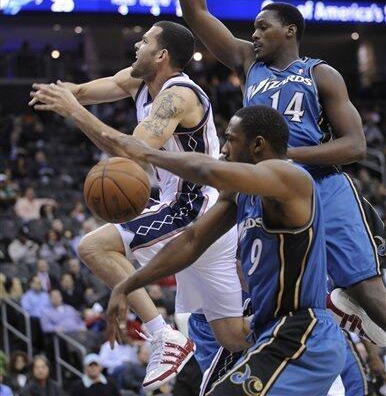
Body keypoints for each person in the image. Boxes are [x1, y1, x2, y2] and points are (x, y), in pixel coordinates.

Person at [163, 0, 386, 343]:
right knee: (272, 298)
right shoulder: (250, 63)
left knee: (368, 289)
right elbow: (196, 11)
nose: (255, 33)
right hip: (264, 190)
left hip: (323, 186)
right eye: (253, 28)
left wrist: (287, 158)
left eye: (263, 26)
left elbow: (356, 146)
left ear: (290, 30)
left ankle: (352, 304)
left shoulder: (321, 74)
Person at [30, 20, 243, 385]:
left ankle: (164, 335)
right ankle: (312, 321)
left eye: (144, 42)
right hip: (202, 215)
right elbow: (87, 90)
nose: (136, 47)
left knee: (93, 247)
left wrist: (73, 110)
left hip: (196, 208)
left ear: (161, 55)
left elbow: (132, 152)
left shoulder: (179, 96)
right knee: (233, 335)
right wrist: (60, 94)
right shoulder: (138, 82)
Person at [103, 105, 347, 395]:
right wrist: (127, 285)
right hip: (270, 333)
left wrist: (145, 153)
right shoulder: (240, 196)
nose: (224, 149)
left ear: (257, 145)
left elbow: (205, 169)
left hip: (303, 331)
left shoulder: (290, 178)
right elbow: (191, 241)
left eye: (231, 139)